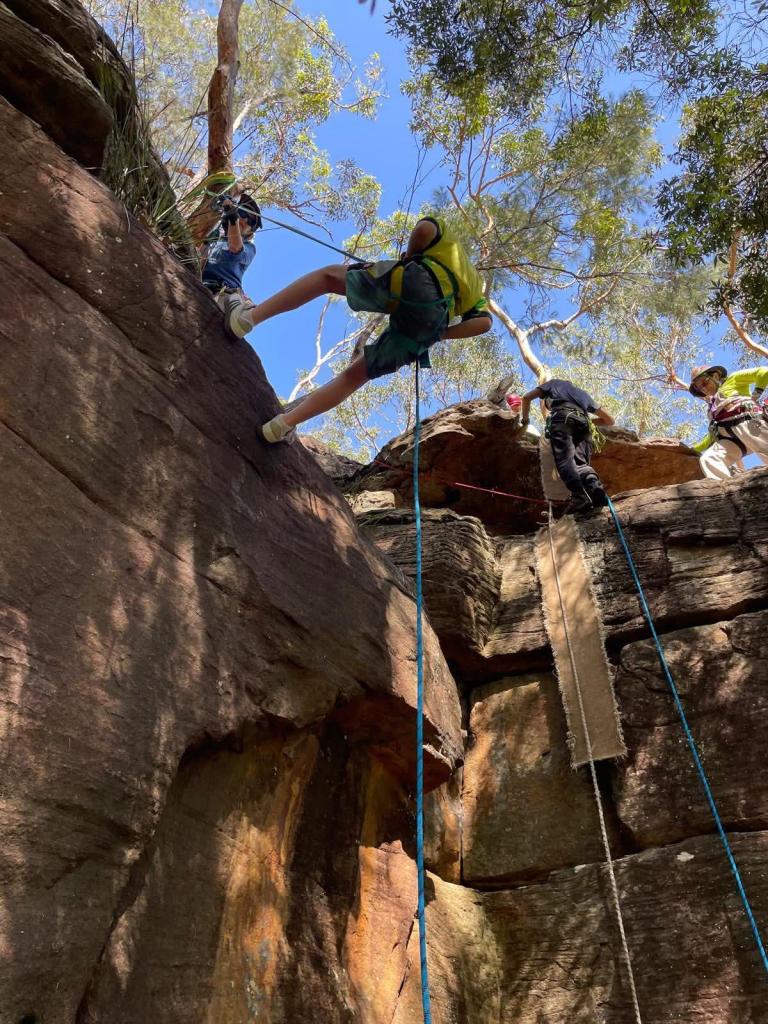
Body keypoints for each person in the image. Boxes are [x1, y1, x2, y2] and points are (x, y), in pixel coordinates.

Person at [224, 216, 492, 442]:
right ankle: (281, 426)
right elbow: (484, 323)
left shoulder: (449, 241)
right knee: (357, 375)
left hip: (417, 279)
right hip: (433, 323)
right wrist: (441, 334)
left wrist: (410, 257)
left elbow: (424, 229)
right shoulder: (474, 286)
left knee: (327, 277)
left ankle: (247, 319)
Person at [520, 378, 615, 515]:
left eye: (548, 405)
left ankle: (579, 496)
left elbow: (526, 398)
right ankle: (595, 489)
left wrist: (525, 421)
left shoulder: (554, 384)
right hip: (584, 424)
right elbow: (610, 420)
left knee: (564, 460)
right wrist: (582, 419)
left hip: (562, 419)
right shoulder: (583, 394)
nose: (549, 407)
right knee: (581, 464)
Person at [688, 364, 768, 478]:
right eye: (699, 388)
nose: (703, 389)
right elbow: (712, 436)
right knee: (709, 459)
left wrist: (756, 395)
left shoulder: (733, 379)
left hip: (748, 423)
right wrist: (691, 449)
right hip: (730, 439)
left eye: (704, 383)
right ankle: (726, 488)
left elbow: (763, 371)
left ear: (715, 376)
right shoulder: (711, 409)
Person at [201, 192, 261, 307]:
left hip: (225, 295)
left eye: (251, 222)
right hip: (201, 285)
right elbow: (199, 262)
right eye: (242, 212)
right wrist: (207, 242)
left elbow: (235, 248)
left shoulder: (250, 248)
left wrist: (232, 217)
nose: (244, 219)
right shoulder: (217, 239)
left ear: (250, 231)